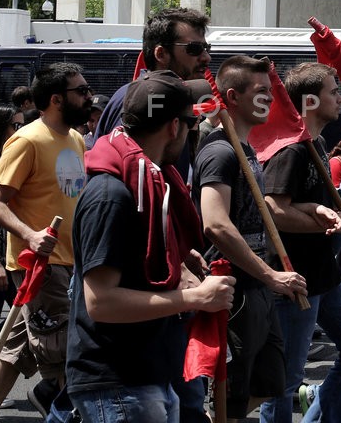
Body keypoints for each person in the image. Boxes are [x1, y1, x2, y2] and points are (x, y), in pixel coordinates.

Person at [66, 70, 235, 422]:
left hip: (149, 375)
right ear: (174, 127)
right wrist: (194, 298)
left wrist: (180, 266)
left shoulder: (147, 184)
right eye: (190, 125)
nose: (190, 135)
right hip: (119, 384)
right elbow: (101, 302)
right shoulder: (111, 194)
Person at [192, 56, 308, 422]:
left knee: (270, 382)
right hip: (235, 290)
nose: (271, 100)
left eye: (270, 92)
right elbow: (216, 225)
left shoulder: (247, 150)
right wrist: (270, 276)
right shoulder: (219, 151)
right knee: (229, 396)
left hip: (259, 289)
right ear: (233, 96)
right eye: (261, 92)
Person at [258, 63, 341, 423]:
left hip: (325, 274)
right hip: (295, 279)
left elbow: (313, 200)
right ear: (309, 101)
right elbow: (275, 211)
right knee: (286, 379)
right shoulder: (291, 150)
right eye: (333, 91)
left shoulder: (318, 143)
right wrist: (335, 225)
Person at [0, 63, 91, 421]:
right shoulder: (26, 140)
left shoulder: (76, 139)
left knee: (13, 354)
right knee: (64, 358)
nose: (88, 95)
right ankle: (56, 406)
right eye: (81, 90)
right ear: (57, 99)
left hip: (72, 264)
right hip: (41, 268)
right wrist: (30, 235)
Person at [95, 8, 211, 177]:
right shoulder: (141, 100)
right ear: (161, 53)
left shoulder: (171, 100)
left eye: (207, 47)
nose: (206, 57)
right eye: (194, 48)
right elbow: (131, 172)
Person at [0, 104, 24, 350]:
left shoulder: (11, 161)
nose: (21, 131)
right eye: (16, 126)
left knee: (29, 323)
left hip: (13, 260)